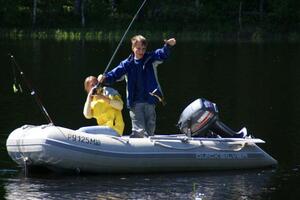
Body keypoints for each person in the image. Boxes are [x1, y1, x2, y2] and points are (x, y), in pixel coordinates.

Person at [98, 35, 176, 137]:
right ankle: (137, 142)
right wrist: (104, 78)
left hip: (150, 99)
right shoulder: (127, 64)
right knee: (139, 129)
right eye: (138, 48)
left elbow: (161, 54)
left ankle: (149, 144)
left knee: (150, 125)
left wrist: (168, 46)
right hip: (135, 101)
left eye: (143, 49)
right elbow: (114, 74)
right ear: (133, 48)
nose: (141, 51)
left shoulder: (150, 59)